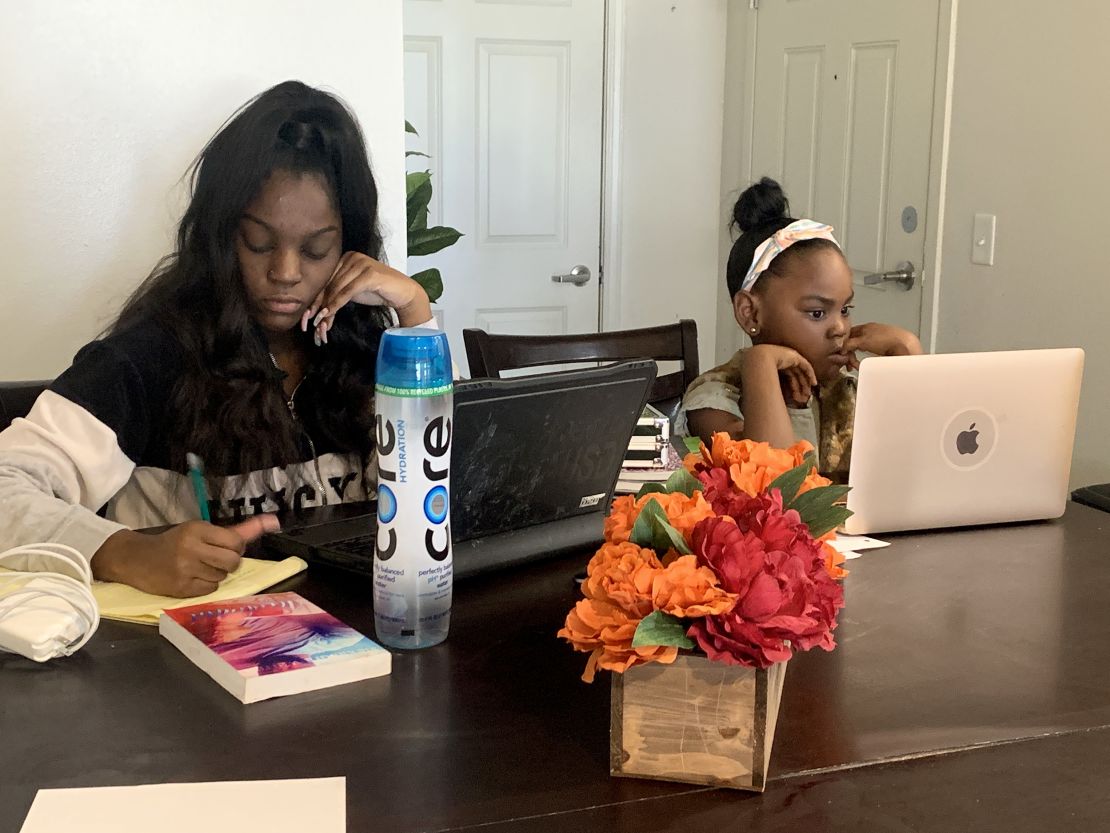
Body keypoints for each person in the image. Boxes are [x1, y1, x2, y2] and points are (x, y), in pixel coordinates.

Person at [0, 81, 435, 598]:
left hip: (353, 631)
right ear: (220, 236)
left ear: (350, 249)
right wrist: (121, 550)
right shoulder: (151, 356)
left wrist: (413, 311)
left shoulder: (364, 346)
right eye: (257, 242)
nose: (286, 273)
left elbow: (443, 493)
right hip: (186, 652)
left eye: (317, 250)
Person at [678, 177, 921, 477]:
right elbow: (772, 487)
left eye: (845, 309)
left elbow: (921, 463)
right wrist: (761, 361)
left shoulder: (849, 390)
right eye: (818, 313)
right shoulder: (714, 400)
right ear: (750, 313)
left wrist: (908, 352)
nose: (839, 329)